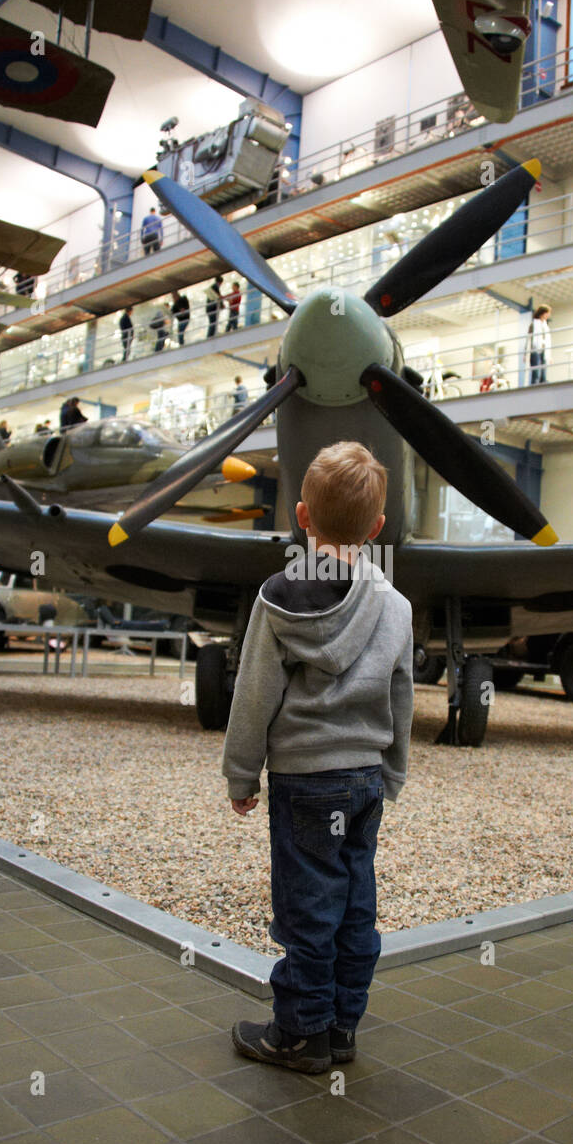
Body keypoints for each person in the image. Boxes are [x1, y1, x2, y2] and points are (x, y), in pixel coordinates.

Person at [223, 441, 414, 1073]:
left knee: (308, 907)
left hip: (307, 782)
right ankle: (342, 1025)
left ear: (302, 516)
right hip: (362, 782)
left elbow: (254, 692)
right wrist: (393, 771)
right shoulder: (397, 606)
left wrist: (242, 771)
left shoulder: (278, 597)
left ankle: (300, 1034)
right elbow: (402, 695)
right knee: (356, 902)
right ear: (378, 527)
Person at [527, 304, 551, 385]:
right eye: (547, 313)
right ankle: (534, 384)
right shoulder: (534, 324)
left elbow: (547, 338)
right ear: (542, 313)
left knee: (543, 368)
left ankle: (542, 382)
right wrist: (526, 353)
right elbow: (529, 338)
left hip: (543, 348)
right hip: (535, 348)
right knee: (536, 370)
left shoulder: (545, 325)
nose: (548, 315)